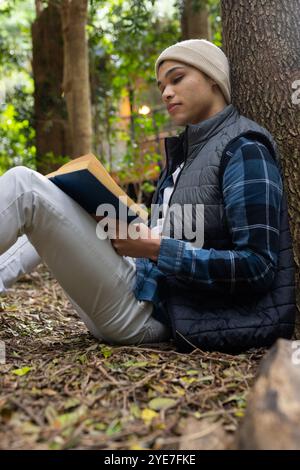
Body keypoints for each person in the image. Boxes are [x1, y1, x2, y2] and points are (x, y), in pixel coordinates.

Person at [0, 39, 295, 352]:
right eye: (161, 86)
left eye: (177, 79)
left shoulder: (245, 148)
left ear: (213, 78)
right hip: (147, 290)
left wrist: (156, 247)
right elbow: (186, 234)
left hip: (157, 314)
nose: (166, 92)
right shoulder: (187, 155)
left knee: (25, 187)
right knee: (55, 198)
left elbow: (258, 266)